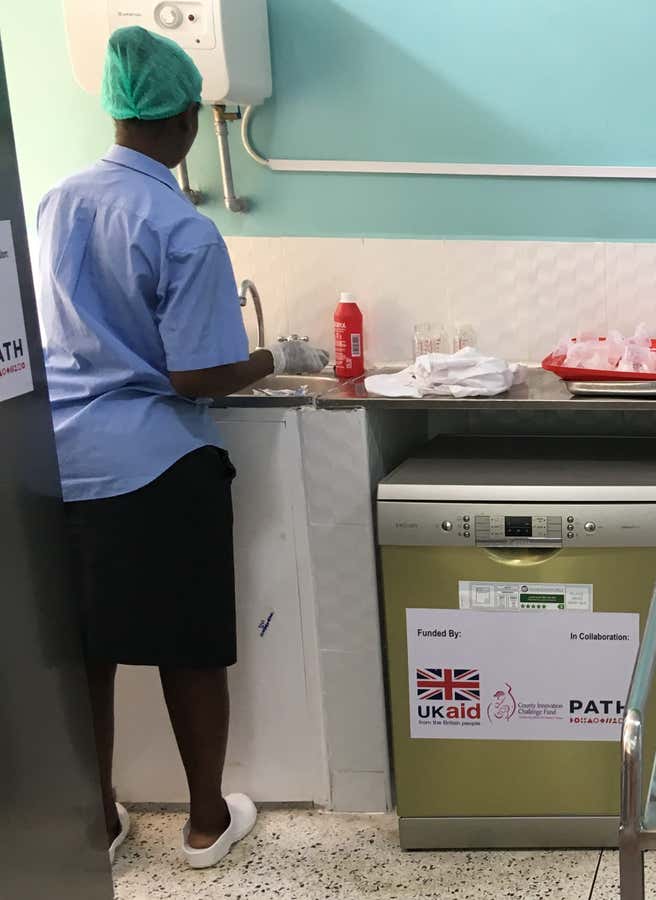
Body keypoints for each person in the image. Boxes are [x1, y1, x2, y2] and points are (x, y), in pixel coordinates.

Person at [32, 27, 328, 869]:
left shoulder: (54, 200)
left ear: (117, 112)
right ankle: (204, 822)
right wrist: (281, 358)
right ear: (190, 121)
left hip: (57, 462)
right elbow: (198, 377)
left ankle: (99, 819)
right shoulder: (181, 226)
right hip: (156, 467)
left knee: (82, 652)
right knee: (187, 644)